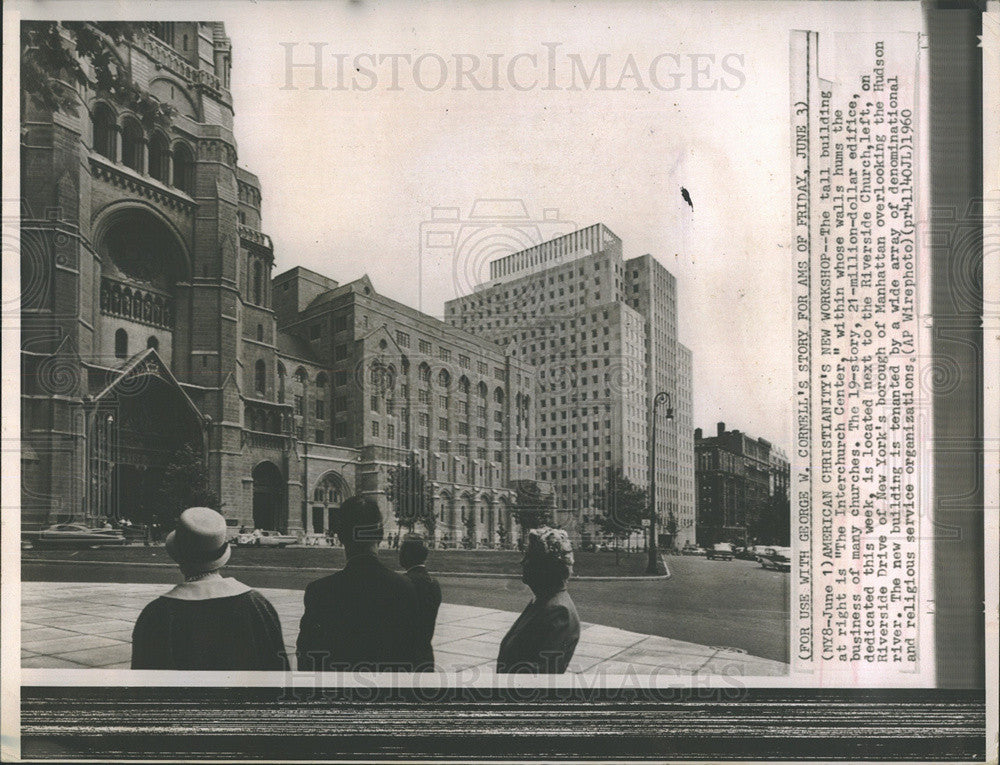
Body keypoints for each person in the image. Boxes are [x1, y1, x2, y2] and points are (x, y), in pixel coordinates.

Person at [131, 507, 288, 671]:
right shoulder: (258, 605)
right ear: (221, 556)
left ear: (179, 558)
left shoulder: (156, 614)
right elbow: (279, 675)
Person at [296, 496, 421, 672]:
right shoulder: (405, 588)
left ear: (340, 536)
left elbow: (307, 659)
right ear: (380, 535)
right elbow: (413, 660)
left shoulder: (319, 592)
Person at [496, 526, 580, 674]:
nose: (522, 563)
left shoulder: (558, 611)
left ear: (547, 567)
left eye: (529, 557)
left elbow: (540, 676)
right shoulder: (543, 601)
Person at [399, 533, 441, 671]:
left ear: (407, 555)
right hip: (426, 656)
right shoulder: (434, 584)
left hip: (404, 658)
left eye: (401, 550)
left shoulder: (402, 583)